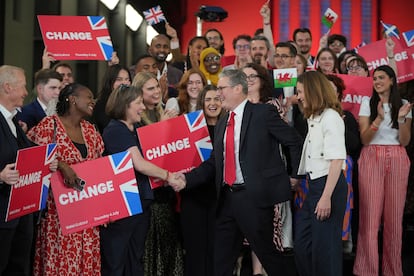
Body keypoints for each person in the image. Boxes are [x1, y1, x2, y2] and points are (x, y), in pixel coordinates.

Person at [171, 69, 303, 276]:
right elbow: (215, 162)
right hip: (227, 200)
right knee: (221, 259)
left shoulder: (262, 112)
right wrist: (187, 179)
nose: (219, 93)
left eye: (222, 88)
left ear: (238, 88)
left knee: (268, 255)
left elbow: (293, 141)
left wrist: (294, 176)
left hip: (255, 199)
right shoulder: (224, 120)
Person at [100, 84, 183, 276]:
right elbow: (139, 163)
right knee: (116, 262)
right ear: (125, 105)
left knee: (135, 259)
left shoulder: (135, 127)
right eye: (138, 103)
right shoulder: (115, 130)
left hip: (141, 204)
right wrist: (169, 176)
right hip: (123, 208)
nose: (143, 107)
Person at [28, 83, 104, 275]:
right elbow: (32, 161)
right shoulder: (49, 126)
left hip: (87, 215)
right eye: (88, 96)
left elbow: (100, 168)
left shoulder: (91, 130)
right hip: (57, 215)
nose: (92, 101)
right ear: (72, 99)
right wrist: (62, 165)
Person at [353, 65, 412, 276]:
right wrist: (378, 118)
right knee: (369, 218)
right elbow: (364, 139)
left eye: (381, 77)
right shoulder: (366, 104)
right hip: (371, 157)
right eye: (374, 78)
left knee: (394, 220)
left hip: (397, 157)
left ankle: (392, 271)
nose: (377, 81)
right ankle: (366, 270)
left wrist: (402, 118)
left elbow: (405, 141)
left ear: (392, 80)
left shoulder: (404, 105)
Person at [0, 65, 56, 275]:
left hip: (20, 211)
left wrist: (46, 160)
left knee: (18, 266)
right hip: (3, 215)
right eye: (23, 87)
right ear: (7, 88)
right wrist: (0, 176)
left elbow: (26, 151)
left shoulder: (13, 119)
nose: (26, 92)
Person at [295, 70, 348, 276]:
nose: (298, 96)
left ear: (312, 90)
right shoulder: (314, 117)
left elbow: (337, 159)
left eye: (300, 92)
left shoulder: (331, 117)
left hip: (329, 187)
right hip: (314, 186)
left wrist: (326, 197)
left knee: (325, 251)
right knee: (304, 246)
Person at [131, 72, 183, 276]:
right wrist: (162, 126)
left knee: (169, 246)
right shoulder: (135, 120)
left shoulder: (165, 112)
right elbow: (147, 154)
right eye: (150, 88)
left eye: (157, 87)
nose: (156, 91)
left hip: (167, 191)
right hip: (149, 195)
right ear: (139, 93)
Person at [180, 85, 223, 276]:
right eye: (208, 100)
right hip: (193, 196)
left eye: (217, 99)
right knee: (195, 251)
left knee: (217, 250)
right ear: (201, 103)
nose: (213, 103)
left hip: (220, 199)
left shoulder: (229, 129)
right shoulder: (190, 130)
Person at [93, 64, 131, 133]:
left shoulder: (131, 102)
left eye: (127, 79)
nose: (124, 83)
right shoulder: (101, 105)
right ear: (110, 82)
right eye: (119, 79)